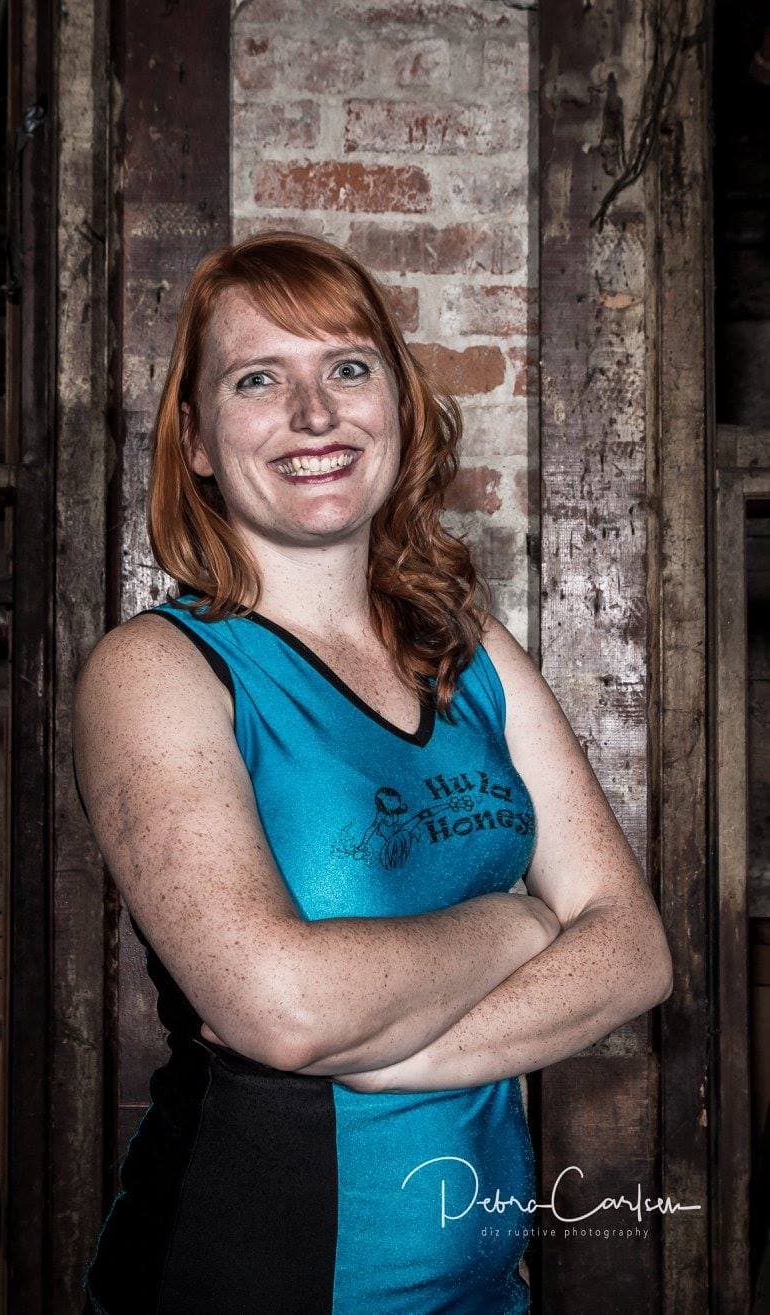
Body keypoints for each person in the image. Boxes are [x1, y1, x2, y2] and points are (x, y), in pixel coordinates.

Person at [73, 230, 674, 1315]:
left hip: (483, 1286)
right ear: (196, 440)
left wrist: (385, 1057)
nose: (314, 414)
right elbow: (282, 1010)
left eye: (346, 367)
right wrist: (521, 922)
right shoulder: (156, 670)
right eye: (258, 380)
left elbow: (633, 953)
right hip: (257, 1279)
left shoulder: (471, 651)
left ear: (396, 402)